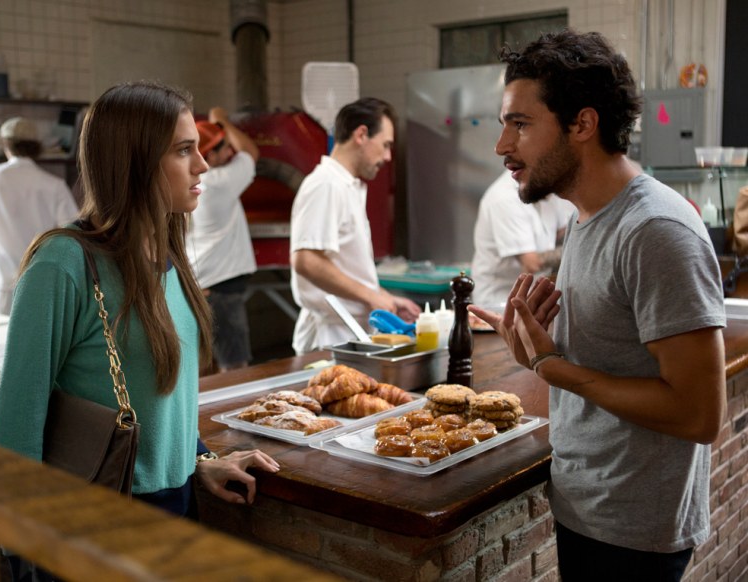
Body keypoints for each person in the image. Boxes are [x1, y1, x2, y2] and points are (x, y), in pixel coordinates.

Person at [469, 30, 726, 581]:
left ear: (582, 125)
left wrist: (554, 368)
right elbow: (617, 356)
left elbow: (699, 413)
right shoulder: (584, 216)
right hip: (592, 507)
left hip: (633, 528)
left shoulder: (655, 229)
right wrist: (540, 347)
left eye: (519, 124)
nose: (501, 147)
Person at [0, 81, 279, 529]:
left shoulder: (170, 257)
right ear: (135, 163)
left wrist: (198, 459)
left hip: (177, 508)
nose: (202, 166)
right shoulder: (63, 263)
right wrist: (26, 552)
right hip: (98, 522)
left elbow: (161, 402)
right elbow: (15, 424)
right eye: (184, 151)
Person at [289, 97, 420, 354]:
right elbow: (305, 260)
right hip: (330, 338)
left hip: (349, 332)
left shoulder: (346, 186)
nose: (387, 156)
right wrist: (371, 297)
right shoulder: (326, 185)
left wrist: (383, 296)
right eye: (385, 145)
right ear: (361, 134)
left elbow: (345, 266)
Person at [187, 106, 260, 371]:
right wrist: (223, 119)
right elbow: (251, 152)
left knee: (202, 368)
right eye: (224, 149)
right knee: (235, 368)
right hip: (221, 289)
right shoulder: (218, 182)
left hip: (198, 283)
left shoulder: (189, 183)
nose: (231, 153)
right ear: (208, 156)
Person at [0, 117, 78, 315]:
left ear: (5, 144)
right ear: (36, 147)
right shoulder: (54, 185)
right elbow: (73, 234)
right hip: (41, 280)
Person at [471, 170, 573, 309]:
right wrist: (580, 250)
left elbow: (563, 230)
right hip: (499, 302)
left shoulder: (546, 189)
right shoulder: (505, 199)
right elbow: (532, 264)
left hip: (530, 298)